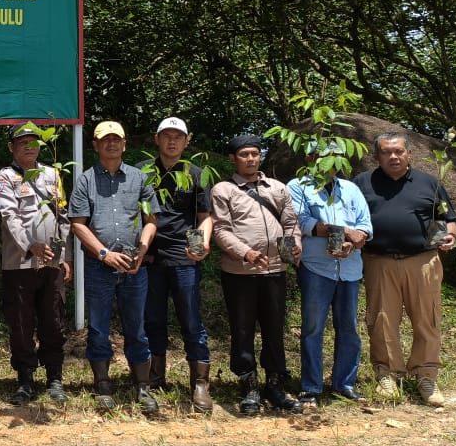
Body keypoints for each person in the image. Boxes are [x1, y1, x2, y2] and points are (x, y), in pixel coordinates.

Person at [354, 131, 456, 406]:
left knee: (427, 319)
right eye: (386, 152)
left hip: (422, 262)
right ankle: (387, 375)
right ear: (377, 156)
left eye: (398, 151)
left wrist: (450, 236)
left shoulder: (429, 183)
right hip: (379, 262)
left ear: (409, 154)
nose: (393, 156)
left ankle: (426, 377)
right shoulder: (362, 183)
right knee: (381, 320)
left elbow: (448, 219)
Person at [69, 120, 159, 414]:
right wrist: (104, 253)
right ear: (95, 145)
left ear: (124, 144)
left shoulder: (139, 179)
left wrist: (142, 250)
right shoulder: (85, 181)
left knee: (137, 327)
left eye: (116, 139)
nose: (111, 144)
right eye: (104, 140)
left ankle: (142, 387)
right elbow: (78, 224)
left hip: (135, 266)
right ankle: (103, 384)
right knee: (98, 327)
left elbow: (150, 220)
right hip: (99, 267)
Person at [210, 134, 303, 415]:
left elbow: (290, 222)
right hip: (240, 272)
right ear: (233, 158)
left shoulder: (277, 188)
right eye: (244, 154)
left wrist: (294, 243)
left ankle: (275, 385)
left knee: (275, 329)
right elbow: (221, 229)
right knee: (242, 329)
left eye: (255, 153)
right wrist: (245, 253)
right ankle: (248, 385)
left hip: (275, 270)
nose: (250, 159)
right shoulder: (223, 190)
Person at [0, 122, 72, 405]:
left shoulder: (52, 174)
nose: (29, 146)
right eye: (22, 142)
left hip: (52, 264)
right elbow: (10, 217)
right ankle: (25, 379)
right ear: (11, 147)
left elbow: (63, 217)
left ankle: (55, 377)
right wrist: (31, 245)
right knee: (22, 322)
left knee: (53, 319)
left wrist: (64, 257)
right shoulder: (5, 179)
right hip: (19, 265)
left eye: (34, 142)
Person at [137, 117, 214, 413]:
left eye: (177, 137)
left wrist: (203, 243)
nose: (172, 141)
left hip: (184, 258)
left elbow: (205, 216)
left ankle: (200, 384)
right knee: (153, 319)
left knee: (192, 321)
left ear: (187, 140)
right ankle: (155, 378)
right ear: (156, 139)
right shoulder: (143, 174)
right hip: (152, 258)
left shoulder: (196, 174)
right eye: (166, 136)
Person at [287, 143, 373, 408]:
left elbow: (365, 228)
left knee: (348, 328)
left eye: (333, 157)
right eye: (320, 156)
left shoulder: (351, 189)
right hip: (316, 268)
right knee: (312, 328)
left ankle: (344, 384)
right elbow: (301, 222)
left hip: (349, 270)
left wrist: (352, 242)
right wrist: (346, 232)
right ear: (310, 158)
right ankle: (310, 387)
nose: (327, 162)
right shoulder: (297, 186)